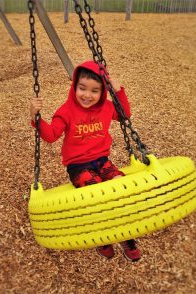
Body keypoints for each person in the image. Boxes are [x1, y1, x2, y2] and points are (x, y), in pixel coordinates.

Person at [30, 60, 140, 262]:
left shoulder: (107, 107)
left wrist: (118, 91)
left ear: (102, 92)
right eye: (82, 88)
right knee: (95, 195)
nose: (87, 95)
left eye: (94, 91)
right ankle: (102, 237)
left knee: (120, 189)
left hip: (102, 161)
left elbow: (125, 114)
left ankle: (126, 234)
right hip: (78, 166)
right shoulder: (66, 111)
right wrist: (36, 118)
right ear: (74, 87)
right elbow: (51, 135)